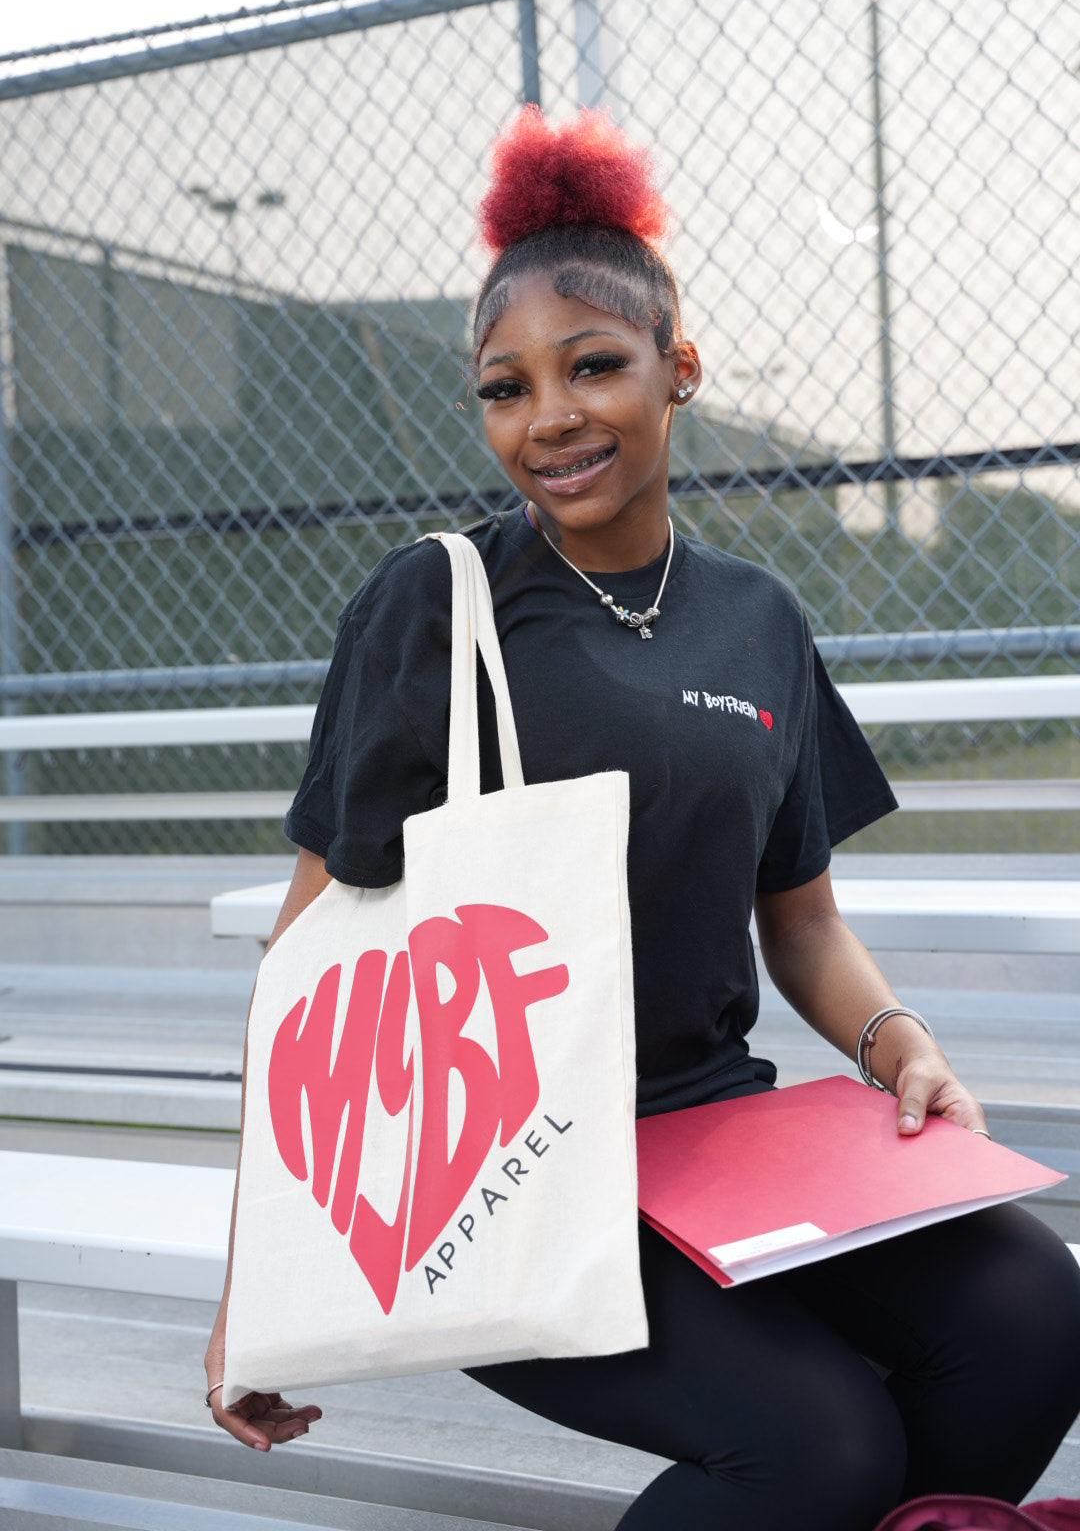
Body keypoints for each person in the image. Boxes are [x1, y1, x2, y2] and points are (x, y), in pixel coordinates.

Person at [204, 107, 1080, 1529]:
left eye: (594, 364)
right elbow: (305, 980)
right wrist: (255, 1289)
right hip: (506, 1180)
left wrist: (900, 1044)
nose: (548, 416)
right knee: (820, 1447)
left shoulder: (759, 618)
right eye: (505, 388)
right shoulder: (437, 605)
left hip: (715, 1136)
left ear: (680, 369)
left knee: (1037, 1315)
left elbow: (804, 923)